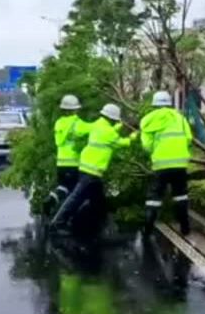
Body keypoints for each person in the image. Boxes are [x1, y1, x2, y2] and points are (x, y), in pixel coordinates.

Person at [50, 103, 138, 234]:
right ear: (112, 119)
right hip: (92, 171)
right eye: (115, 120)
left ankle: (99, 224)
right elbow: (122, 143)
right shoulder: (108, 132)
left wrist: (120, 126)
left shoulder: (98, 125)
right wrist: (134, 135)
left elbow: (110, 132)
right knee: (76, 198)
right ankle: (57, 224)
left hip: (88, 168)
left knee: (98, 201)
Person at [140, 91, 193, 236]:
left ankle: (147, 228)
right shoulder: (180, 118)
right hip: (180, 164)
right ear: (169, 103)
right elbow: (189, 139)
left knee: (154, 197)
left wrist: (156, 151)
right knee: (181, 195)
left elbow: (146, 146)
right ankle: (185, 228)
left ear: (154, 104)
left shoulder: (148, 120)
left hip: (160, 165)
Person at [43, 95, 92, 216]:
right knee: (76, 192)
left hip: (61, 163)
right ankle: (67, 218)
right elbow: (92, 128)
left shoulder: (59, 123)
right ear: (75, 109)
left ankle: (50, 200)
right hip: (74, 163)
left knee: (63, 187)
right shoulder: (76, 123)